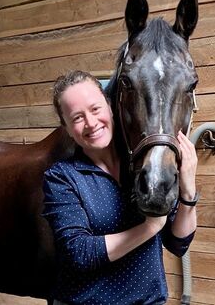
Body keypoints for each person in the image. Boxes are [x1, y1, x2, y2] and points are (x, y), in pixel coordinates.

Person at [43, 70, 198, 305]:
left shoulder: (143, 167)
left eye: (95, 109)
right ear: (66, 128)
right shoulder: (62, 177)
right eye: (77, 118)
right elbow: (79, 253)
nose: (91, 123)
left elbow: (178, 243)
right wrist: (150, 227)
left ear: (109, 106)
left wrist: (187, 190)